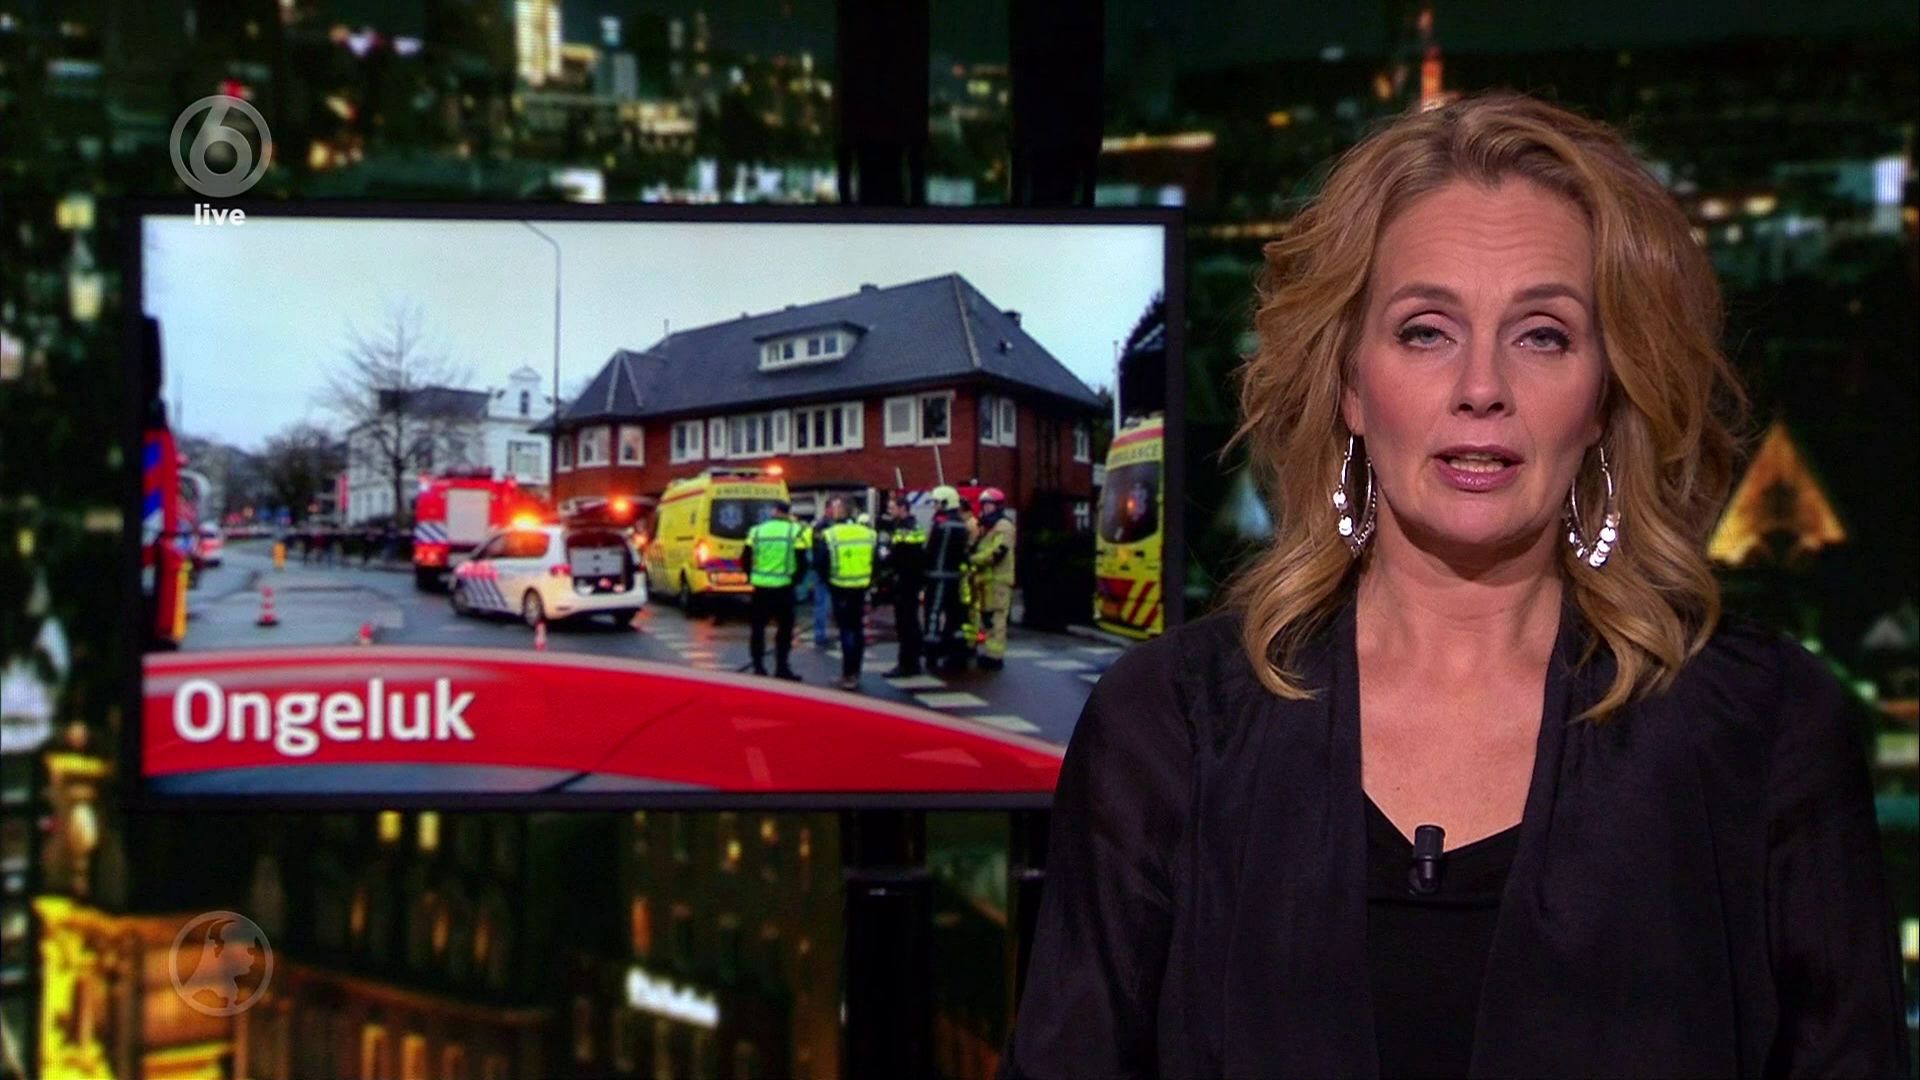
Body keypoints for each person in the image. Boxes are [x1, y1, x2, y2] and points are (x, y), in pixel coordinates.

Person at [1000, 92, 1910, 1079]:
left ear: (1605, 394)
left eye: (1543, 335)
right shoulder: (1173, 727)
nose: (1482, 388)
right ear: (1350, 383)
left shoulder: (1765, 731)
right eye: (1427, 332)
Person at [740, 500, 808, 680]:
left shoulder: (756, 531)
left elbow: (745, 559)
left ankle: (758, 667)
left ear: (774, 511)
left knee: (758, 629)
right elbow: (802, 562)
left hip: (761, 589)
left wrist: (752, 577)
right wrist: (795, 581)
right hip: (784, 588)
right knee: (784, 630)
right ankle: (781, 667)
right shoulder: (795, 531)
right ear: (787, 512)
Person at [822, 508, 879, 691]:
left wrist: (829, 584)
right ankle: (855, 672)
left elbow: (821, 562)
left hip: (839, 587)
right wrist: (870, 582)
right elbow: (877, 561)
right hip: (860, 587)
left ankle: (848, 674)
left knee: (846, 631)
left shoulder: (831, 534)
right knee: (857, 629)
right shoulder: (869, 534)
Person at [921, 485, 973, 673]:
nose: (934, 506)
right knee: (955, 616)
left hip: (938, 576)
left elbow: (931, 550)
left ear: (945, 502)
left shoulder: (941, 523)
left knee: (933, 614)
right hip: (955, 577)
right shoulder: (961, 523)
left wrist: (923, 571)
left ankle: (932, 654)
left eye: (937, 502)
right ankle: (957, 653)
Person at [879, 493, 928, 677]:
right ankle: (913, 662)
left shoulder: (903, 530)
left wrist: (884, 557)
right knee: (911, 622)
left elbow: (897, 556)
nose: (890, 511)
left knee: (905, 624)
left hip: (904, 581)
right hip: (913, 581)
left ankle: (906, 665)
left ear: (903, 508)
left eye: (892, 508)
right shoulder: (915, 526)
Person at [967, 487, 1016, 671]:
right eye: (984, 505)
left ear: (997, 506)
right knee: (988, 620)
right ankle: (989, 653)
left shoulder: (1004, 526)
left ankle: (995, 657)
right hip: (986, 581)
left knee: (997, 620)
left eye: (989, 505)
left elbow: (997, 553)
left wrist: (973, 559)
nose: (986, 508)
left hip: (999, 581)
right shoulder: (986, 525)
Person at [807, 499, 841, 647]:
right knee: (822, 604)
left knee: (828, 604)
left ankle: (825, 634)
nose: (838, 510)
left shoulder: (833, 525)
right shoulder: (822, 526)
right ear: (828, 509)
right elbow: (820, 551)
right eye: (835, 507)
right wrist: (824, 571)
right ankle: (820, 635)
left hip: (831, 571)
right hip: (824, 571)